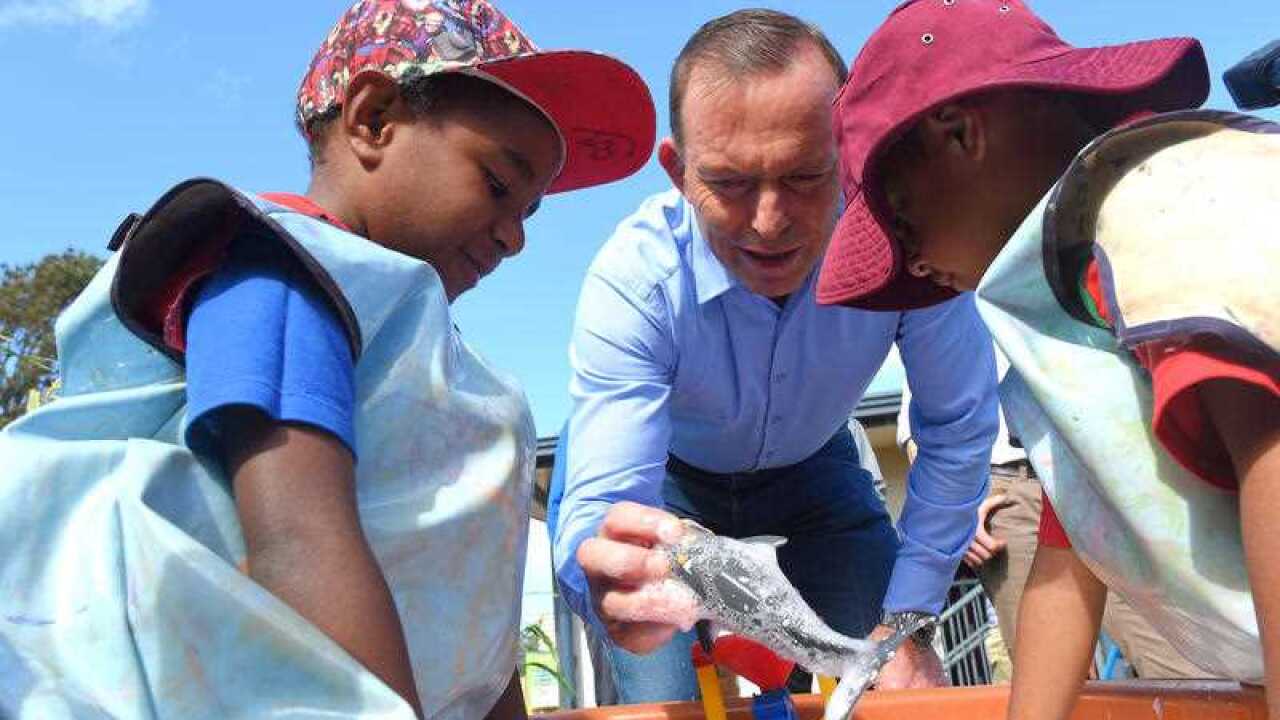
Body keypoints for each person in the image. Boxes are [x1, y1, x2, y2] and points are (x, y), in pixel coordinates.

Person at [0, 1, 655, 718]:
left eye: (528, 211)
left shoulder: (433, 364)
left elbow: (475, 628)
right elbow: (299, 540)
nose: (515, 238)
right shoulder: (286, 275)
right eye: (498, 184)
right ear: (373, 119)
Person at [817, 1, 1278, 718]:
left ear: (959, 132)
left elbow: (1271, 453)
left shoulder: (1166, 207)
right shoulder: (1085, 311)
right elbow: (1066, 564)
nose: (915, 264)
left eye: (903, 222)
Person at [552, 8, 999, 704]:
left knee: (895, 684)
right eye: (729, 183)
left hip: (816, 475)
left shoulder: (910, 245)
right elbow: (611, 504)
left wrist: (908, 617)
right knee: (661, 693)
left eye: (805, 176)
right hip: (666, 483)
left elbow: (956, 428)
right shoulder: (636, 279)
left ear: (849, 152)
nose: (769, 223)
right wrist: (616, 586)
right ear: (677, 171)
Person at [897, 349, 1210, 682]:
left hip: (1095, 470)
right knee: (1052, 673)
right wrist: (955, 506)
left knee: (1175, 656)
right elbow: (920, 418)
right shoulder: (941, 322)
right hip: (1007, 487)